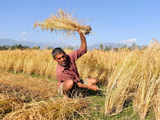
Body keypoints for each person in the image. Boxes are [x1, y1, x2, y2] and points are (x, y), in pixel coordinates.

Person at [52, 29, 99, 98]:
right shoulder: (60, 71)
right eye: (59, 58)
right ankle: (66, 95)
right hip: (67, 85)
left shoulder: (70, 56)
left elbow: (83, 49)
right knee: (70, 83)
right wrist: (90, 87)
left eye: (63, 56)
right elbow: (77, 84)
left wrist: (81, 34)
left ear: (65, 54)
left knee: (95, 81)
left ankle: (78, 92)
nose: (62, 59)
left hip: (77, 81)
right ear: (55, 60)